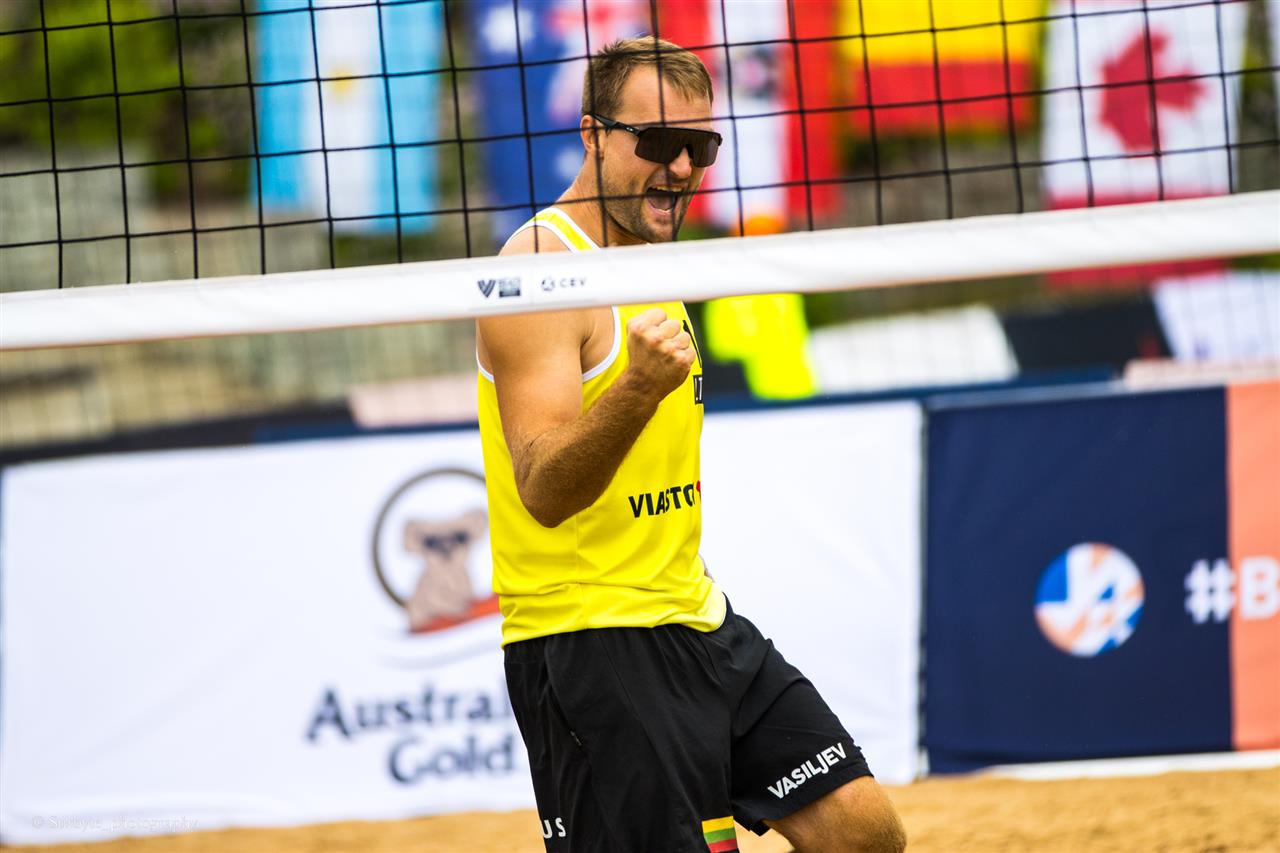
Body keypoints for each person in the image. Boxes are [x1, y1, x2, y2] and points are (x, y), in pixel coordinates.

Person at [476, 37, 906, 853]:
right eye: (657, 142)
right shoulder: (536, 271)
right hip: (592, 636)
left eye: (698, 147)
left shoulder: (646, 257)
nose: (680, 168)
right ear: (592, 133)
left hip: (694, 614)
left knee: (862, 832)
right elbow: (543, 487)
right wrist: (638, 387)